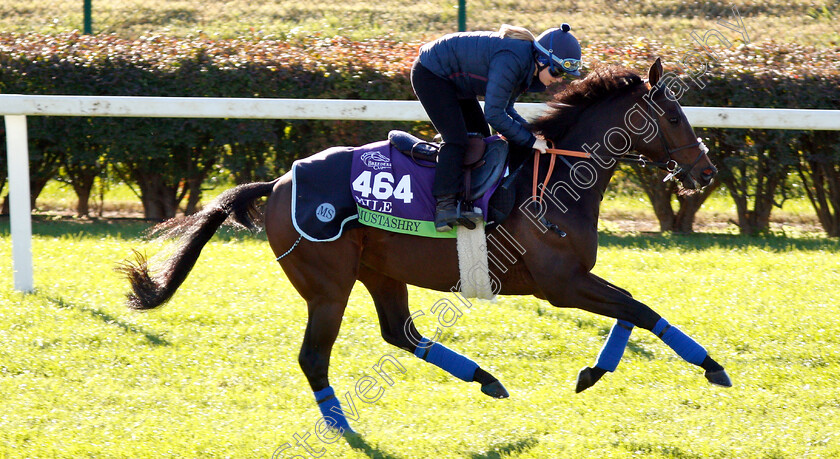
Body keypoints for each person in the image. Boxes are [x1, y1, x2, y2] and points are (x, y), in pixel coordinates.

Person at [411, 23, 583, 231]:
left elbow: (506, 109)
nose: (558, 79)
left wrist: (532, 134)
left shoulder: (527, 64)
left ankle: (469, 201)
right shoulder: (514, 59)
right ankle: (444, 207)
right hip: (431, 74)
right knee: (457, 140)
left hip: (455, 80)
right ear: (541, 58)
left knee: (482, 140)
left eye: (563, 74)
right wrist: (530, 141)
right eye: (557, 71)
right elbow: (494, 114)